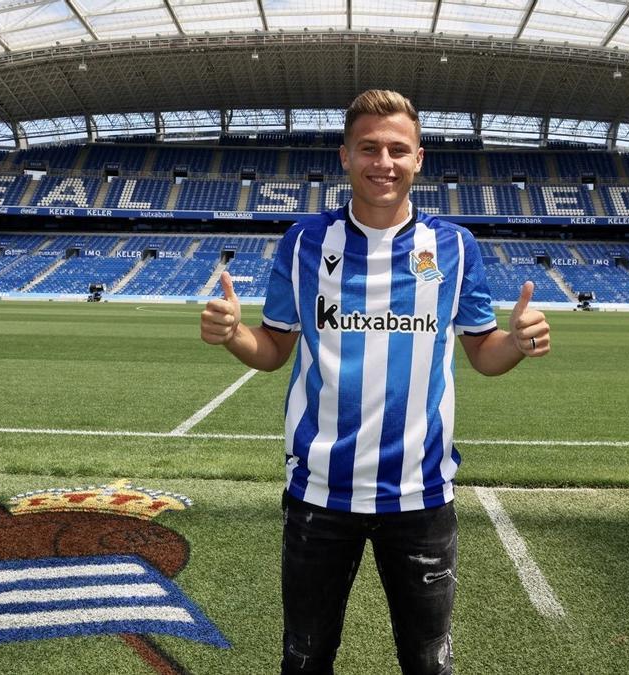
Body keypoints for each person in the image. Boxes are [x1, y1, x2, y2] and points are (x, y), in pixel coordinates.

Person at [200, 89, 550, 674]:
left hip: (420, 494)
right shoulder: (305, 242)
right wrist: (234, 333)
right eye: (369, 148)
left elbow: (484, 356)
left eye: (397, 149)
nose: (382, 162)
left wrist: (516, 342)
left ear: (419, 159)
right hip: (319, 491)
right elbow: (273, 350)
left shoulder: (455, 247)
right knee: (305, 659)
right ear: (345, 156)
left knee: (427, 663)